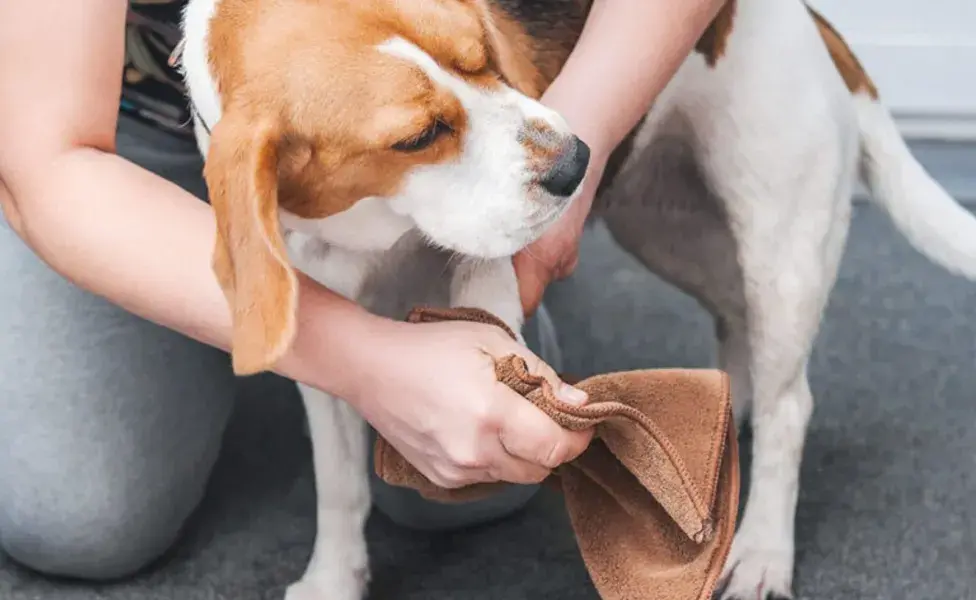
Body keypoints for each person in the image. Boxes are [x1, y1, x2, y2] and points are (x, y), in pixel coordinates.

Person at [0, 0, 724, 583]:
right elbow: (50, 165)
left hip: (424, 77)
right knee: (80, 516)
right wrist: (369, 361)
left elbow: (529, 120)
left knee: (465, 489)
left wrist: (581, 139)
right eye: (419, 133)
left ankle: (472, 191)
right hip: (113, 127)